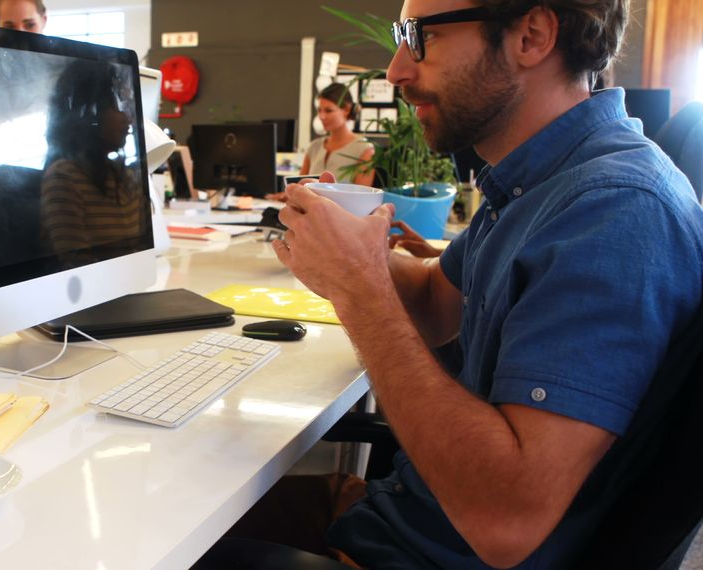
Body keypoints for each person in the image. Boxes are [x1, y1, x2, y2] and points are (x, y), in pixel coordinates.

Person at [233, 0, 703, 568]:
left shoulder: (612, 212)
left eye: (419, 37)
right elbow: (437, 302)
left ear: (530, 36)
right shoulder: (541, 176)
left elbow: (506, 520)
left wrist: (360, 289)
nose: (396, 70)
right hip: (404, 520)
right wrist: (348, 251)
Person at [40, 60, 149, 266]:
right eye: (118, 106)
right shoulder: (64, 177)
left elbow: (139, 251)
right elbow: (77, 265)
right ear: (90, 114)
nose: (129, 118)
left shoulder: (123, 175)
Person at [267, 84, 375, 202]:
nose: (322, 116)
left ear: (347, 110)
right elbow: (299, 188)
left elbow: (362, 200)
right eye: (319, 110)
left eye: (328, 110)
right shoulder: (314, 146)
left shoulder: (365, 150)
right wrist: (283, 195)